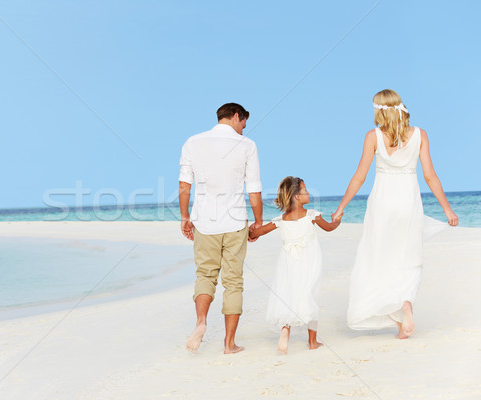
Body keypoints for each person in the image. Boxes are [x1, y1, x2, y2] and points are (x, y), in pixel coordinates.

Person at [331, 89, 458, 339]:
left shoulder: (373, 136)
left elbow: (360, 176)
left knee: (379, 256)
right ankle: (405, 305)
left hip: (382, 203)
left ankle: (397, 316)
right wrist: (447, 208)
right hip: (408, 203)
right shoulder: (420, 135)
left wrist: (341, 206)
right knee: (408, 256)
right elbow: (430, 176)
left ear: (379, 110)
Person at [179, 103, 263, 354]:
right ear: (237, 116)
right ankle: (229, 344)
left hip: (204, 222)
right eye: (243, 125)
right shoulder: (247, 146)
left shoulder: (192, 142)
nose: (243, 130)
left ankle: (201, 322)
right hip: (235, 222)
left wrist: (185, 217)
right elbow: (254, 190)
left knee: (205, 275)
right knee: (233, 282)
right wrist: (258, 222)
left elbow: (185, 187)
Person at [250, 177, 341, 354]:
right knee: (310, 294)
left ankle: (285, 331)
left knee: (288, 294)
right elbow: (329, 227)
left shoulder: (281, 220)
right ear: (297, 197)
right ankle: (313, 342)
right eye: (305, 190)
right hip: (310, 263)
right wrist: (337, 220)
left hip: (288, 265)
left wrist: (249, 233)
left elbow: (258, 232)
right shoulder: (312, 215)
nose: (308, 193)